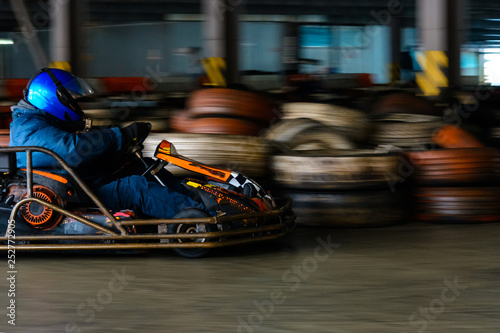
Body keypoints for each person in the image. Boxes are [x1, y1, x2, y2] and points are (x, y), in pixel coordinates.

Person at [9, 68, 206, 218]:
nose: (78, 105)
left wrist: (118, 142)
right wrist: (119, 136)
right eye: (73, 99)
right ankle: (198, 219)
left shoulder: (42, 121)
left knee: (142, 167)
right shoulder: (28, 128)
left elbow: (78, 143)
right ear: (51, 96)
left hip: (82, 182)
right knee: (135, 188)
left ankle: (199, 203)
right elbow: (73, 148)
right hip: (75, 195)